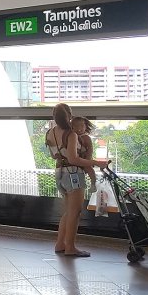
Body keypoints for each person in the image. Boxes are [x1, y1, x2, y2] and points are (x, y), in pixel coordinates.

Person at [46, 104, 108, 257]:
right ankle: (70, 247)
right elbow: (74, 159)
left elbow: (54, 155)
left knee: (68, 212)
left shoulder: (49, 133)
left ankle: (60, 244)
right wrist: (96, 163)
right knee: (75, 213)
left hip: (59, 173)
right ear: (69, 116)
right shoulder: (71, 134)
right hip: (73, 175)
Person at [71, 116, 98, 188]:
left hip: (85, 157)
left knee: (88, 168)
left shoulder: (86, 137)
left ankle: (93, 183)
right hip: (77, 159)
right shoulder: (72, 137)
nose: (79, 128)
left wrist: (88, 159)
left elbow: (90, 148)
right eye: (76, 126)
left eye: (82, 126)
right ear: (72, 127)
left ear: (85, 127)